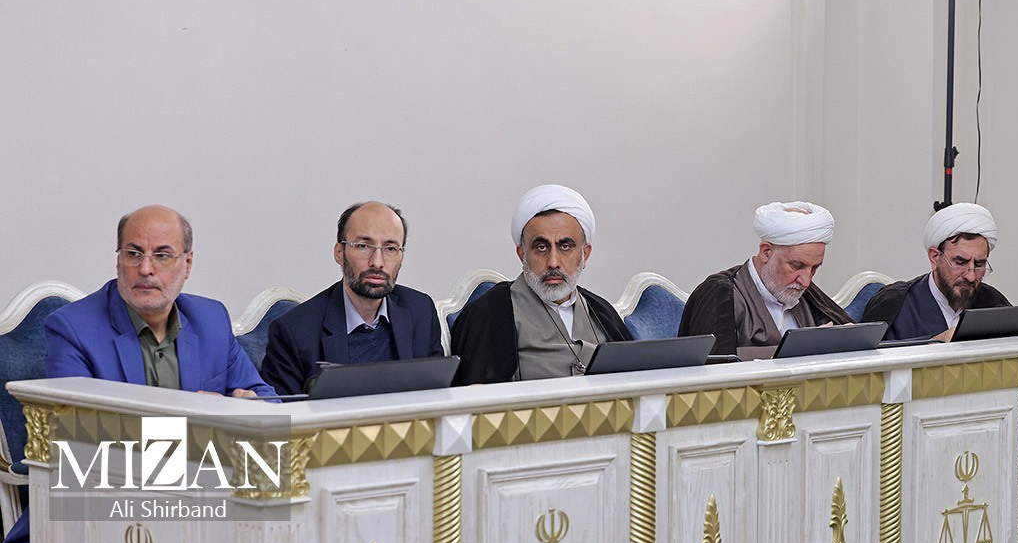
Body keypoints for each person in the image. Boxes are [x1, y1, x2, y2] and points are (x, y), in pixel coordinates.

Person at [44, 204, 275, 397]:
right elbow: (76, 426)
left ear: (187, 264)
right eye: (133, 254)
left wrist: (248, 407)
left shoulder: (211, 320)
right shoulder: (72, 329)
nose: (145, 269)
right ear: (119, 261)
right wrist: (199, 420)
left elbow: (267, 399)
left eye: (162, 255)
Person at [450, 184, 632, 385]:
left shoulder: (602, 312)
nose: (553, 262)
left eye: (565, 246)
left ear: (585, 255)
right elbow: (475, 397)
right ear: (522, 255)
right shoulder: (489, 314)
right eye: (541, 247)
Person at [259, 201, 443, 396]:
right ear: (339, 253)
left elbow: (439, 398)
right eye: (363, 246)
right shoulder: (294, 331)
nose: (377, 262)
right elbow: (285, 413)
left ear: (401, 257)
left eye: (390, 248)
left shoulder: (420, 311)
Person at [678, 201, 852, 355]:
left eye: (814, 268)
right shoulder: (721, 293)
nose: (806, 281)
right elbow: (713, 369)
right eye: (796, 266)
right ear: (766, 252)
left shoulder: (806, 293)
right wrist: (803, 347)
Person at [862, 202, 1009, 342]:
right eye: (960, 263)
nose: (971, 276)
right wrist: (932, 343)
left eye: (979, 264)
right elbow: (868, 355)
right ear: (934, 258)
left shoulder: (994, 303)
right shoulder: (894, 304)